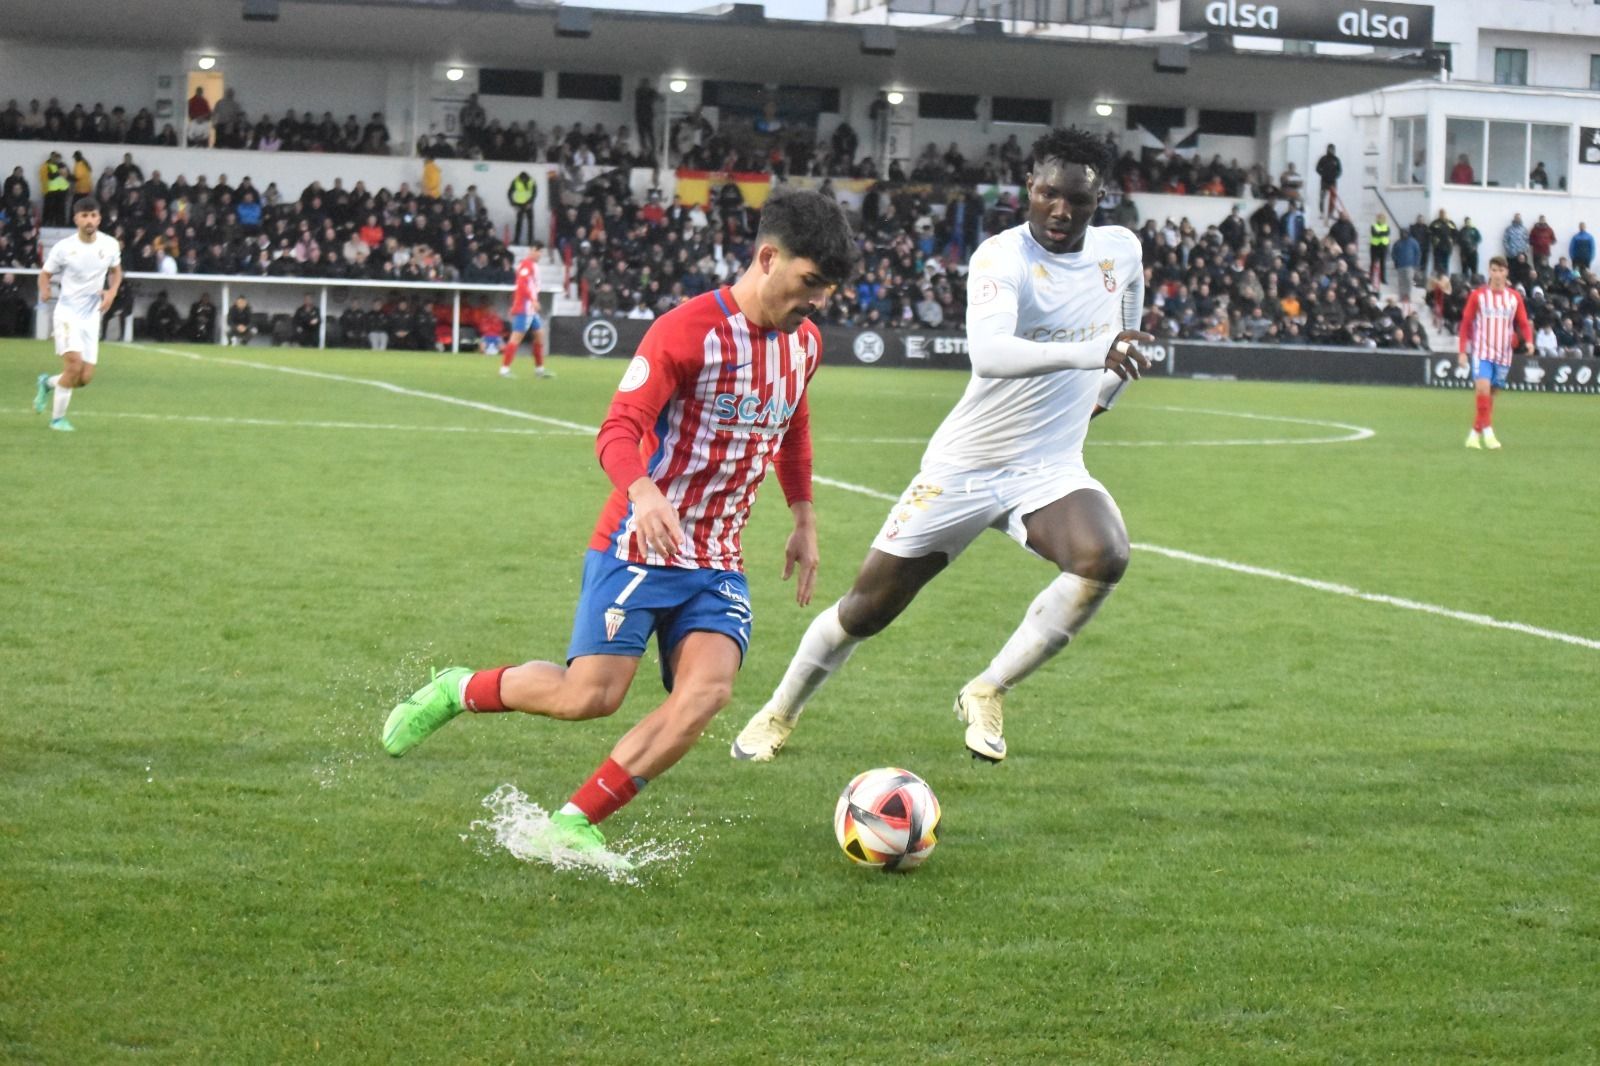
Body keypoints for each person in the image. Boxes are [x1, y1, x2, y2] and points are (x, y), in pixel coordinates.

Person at [381, 188, 859, 864]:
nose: (817, 303)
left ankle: (573, 820)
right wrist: (642, 492)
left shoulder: (803, 344)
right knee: (590, 698)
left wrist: (804, 518)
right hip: (637, 547)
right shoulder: (686, 331)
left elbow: (794, 426)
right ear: (767, 258)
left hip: (716, 560)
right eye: (810, 284)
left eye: (827, 291)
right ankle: (458, 687)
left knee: (708, 694)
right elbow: (618, 429)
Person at [729, 127, 1151, 766]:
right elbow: (990, 354)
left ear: (1100, 200)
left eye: (1077, 200)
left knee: (1105, 555)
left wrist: (1105, 392)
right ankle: (779, 710)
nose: (1060, 210)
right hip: (966, 467)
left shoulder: (1121, 250)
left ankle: (987, 689)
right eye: (1047, 194)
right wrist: (1096, 354)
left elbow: (1131, 323)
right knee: (868, 609)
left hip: (1050, 467)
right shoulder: (1000, 258)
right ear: (1028, 190)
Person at [33, 197, 122, 433]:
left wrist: (112, 292)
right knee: (73, 366)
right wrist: (44, 289)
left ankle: (47, 383)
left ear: (99, 218)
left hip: (92, 316)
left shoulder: (110, 245)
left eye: (93, 215)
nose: (89, 220)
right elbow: (45, 274)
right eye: (84, 216)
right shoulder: (64, 248)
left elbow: (116, 271)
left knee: (83, 378)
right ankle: (57, 420)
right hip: (67, 314)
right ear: (76, 219)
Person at [1458, 256, 1531, 451]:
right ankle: (1489, 433)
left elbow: (1523, 322)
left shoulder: (1514, 297)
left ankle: (1474, 434)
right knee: (1482, 388)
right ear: (1489, 272)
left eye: (1500, 271)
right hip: (1482, 351)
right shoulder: (1478, 296)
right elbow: (1465, 322)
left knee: (1491, 394)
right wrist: (1462, 351)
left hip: (1503, 354)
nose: (1497, 274)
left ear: (1506, 272)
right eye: (1493, 270)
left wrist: (1529, 340)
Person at [500, 240, 550, 378]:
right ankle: (504, 369)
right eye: (538, 251)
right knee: (516, 338)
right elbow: (522, 284)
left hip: (531, 310)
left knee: (540, 335)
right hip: (524, 308)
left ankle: (539, 370)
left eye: (541, 252)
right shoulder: (526, 265)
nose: (540, 254)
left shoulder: (533, 265)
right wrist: (533, 300)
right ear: (532, 250)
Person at [508, 170, 536, 245]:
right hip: (519, 205)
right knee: (519, 223)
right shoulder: (515, 181)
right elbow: (509, 193)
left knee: (530, 223)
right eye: (522, 179)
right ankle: (516, 241)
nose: (523, 180)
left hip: (528, 204)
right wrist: (513, 204)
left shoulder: (531, 181)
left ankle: (530, 241)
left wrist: (531, 203)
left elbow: (534, 193)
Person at [1314, 144, 1341, 220]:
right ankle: (1322, 213)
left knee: (1333, 198)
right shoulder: (1323, 159)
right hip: (1324, 181)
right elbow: (1317, 168)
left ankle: (1330, 214)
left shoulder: (1336, 160)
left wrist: (1335, 176)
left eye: (1332, 149)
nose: (1330, 150)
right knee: (1322, 197)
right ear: (1327, 149)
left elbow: (1340, 171)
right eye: (1329, 149)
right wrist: (1322, 174)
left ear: (1334, 150)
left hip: (1333, 182)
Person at [1368, 211, 1391, 285]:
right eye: (1379, 218)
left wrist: (1379, 233)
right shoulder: (1373, 225)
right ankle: (1370, 278)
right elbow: (1374, 233)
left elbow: (1386, 234)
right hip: (1375, 246)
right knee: (1372, 262)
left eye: (1382, 218)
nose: (1381, 219)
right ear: (1377, 219)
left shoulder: (1387, 226)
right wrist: (1381, 233)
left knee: (1383, 263)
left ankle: (1383, 279)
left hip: (1384, 246)